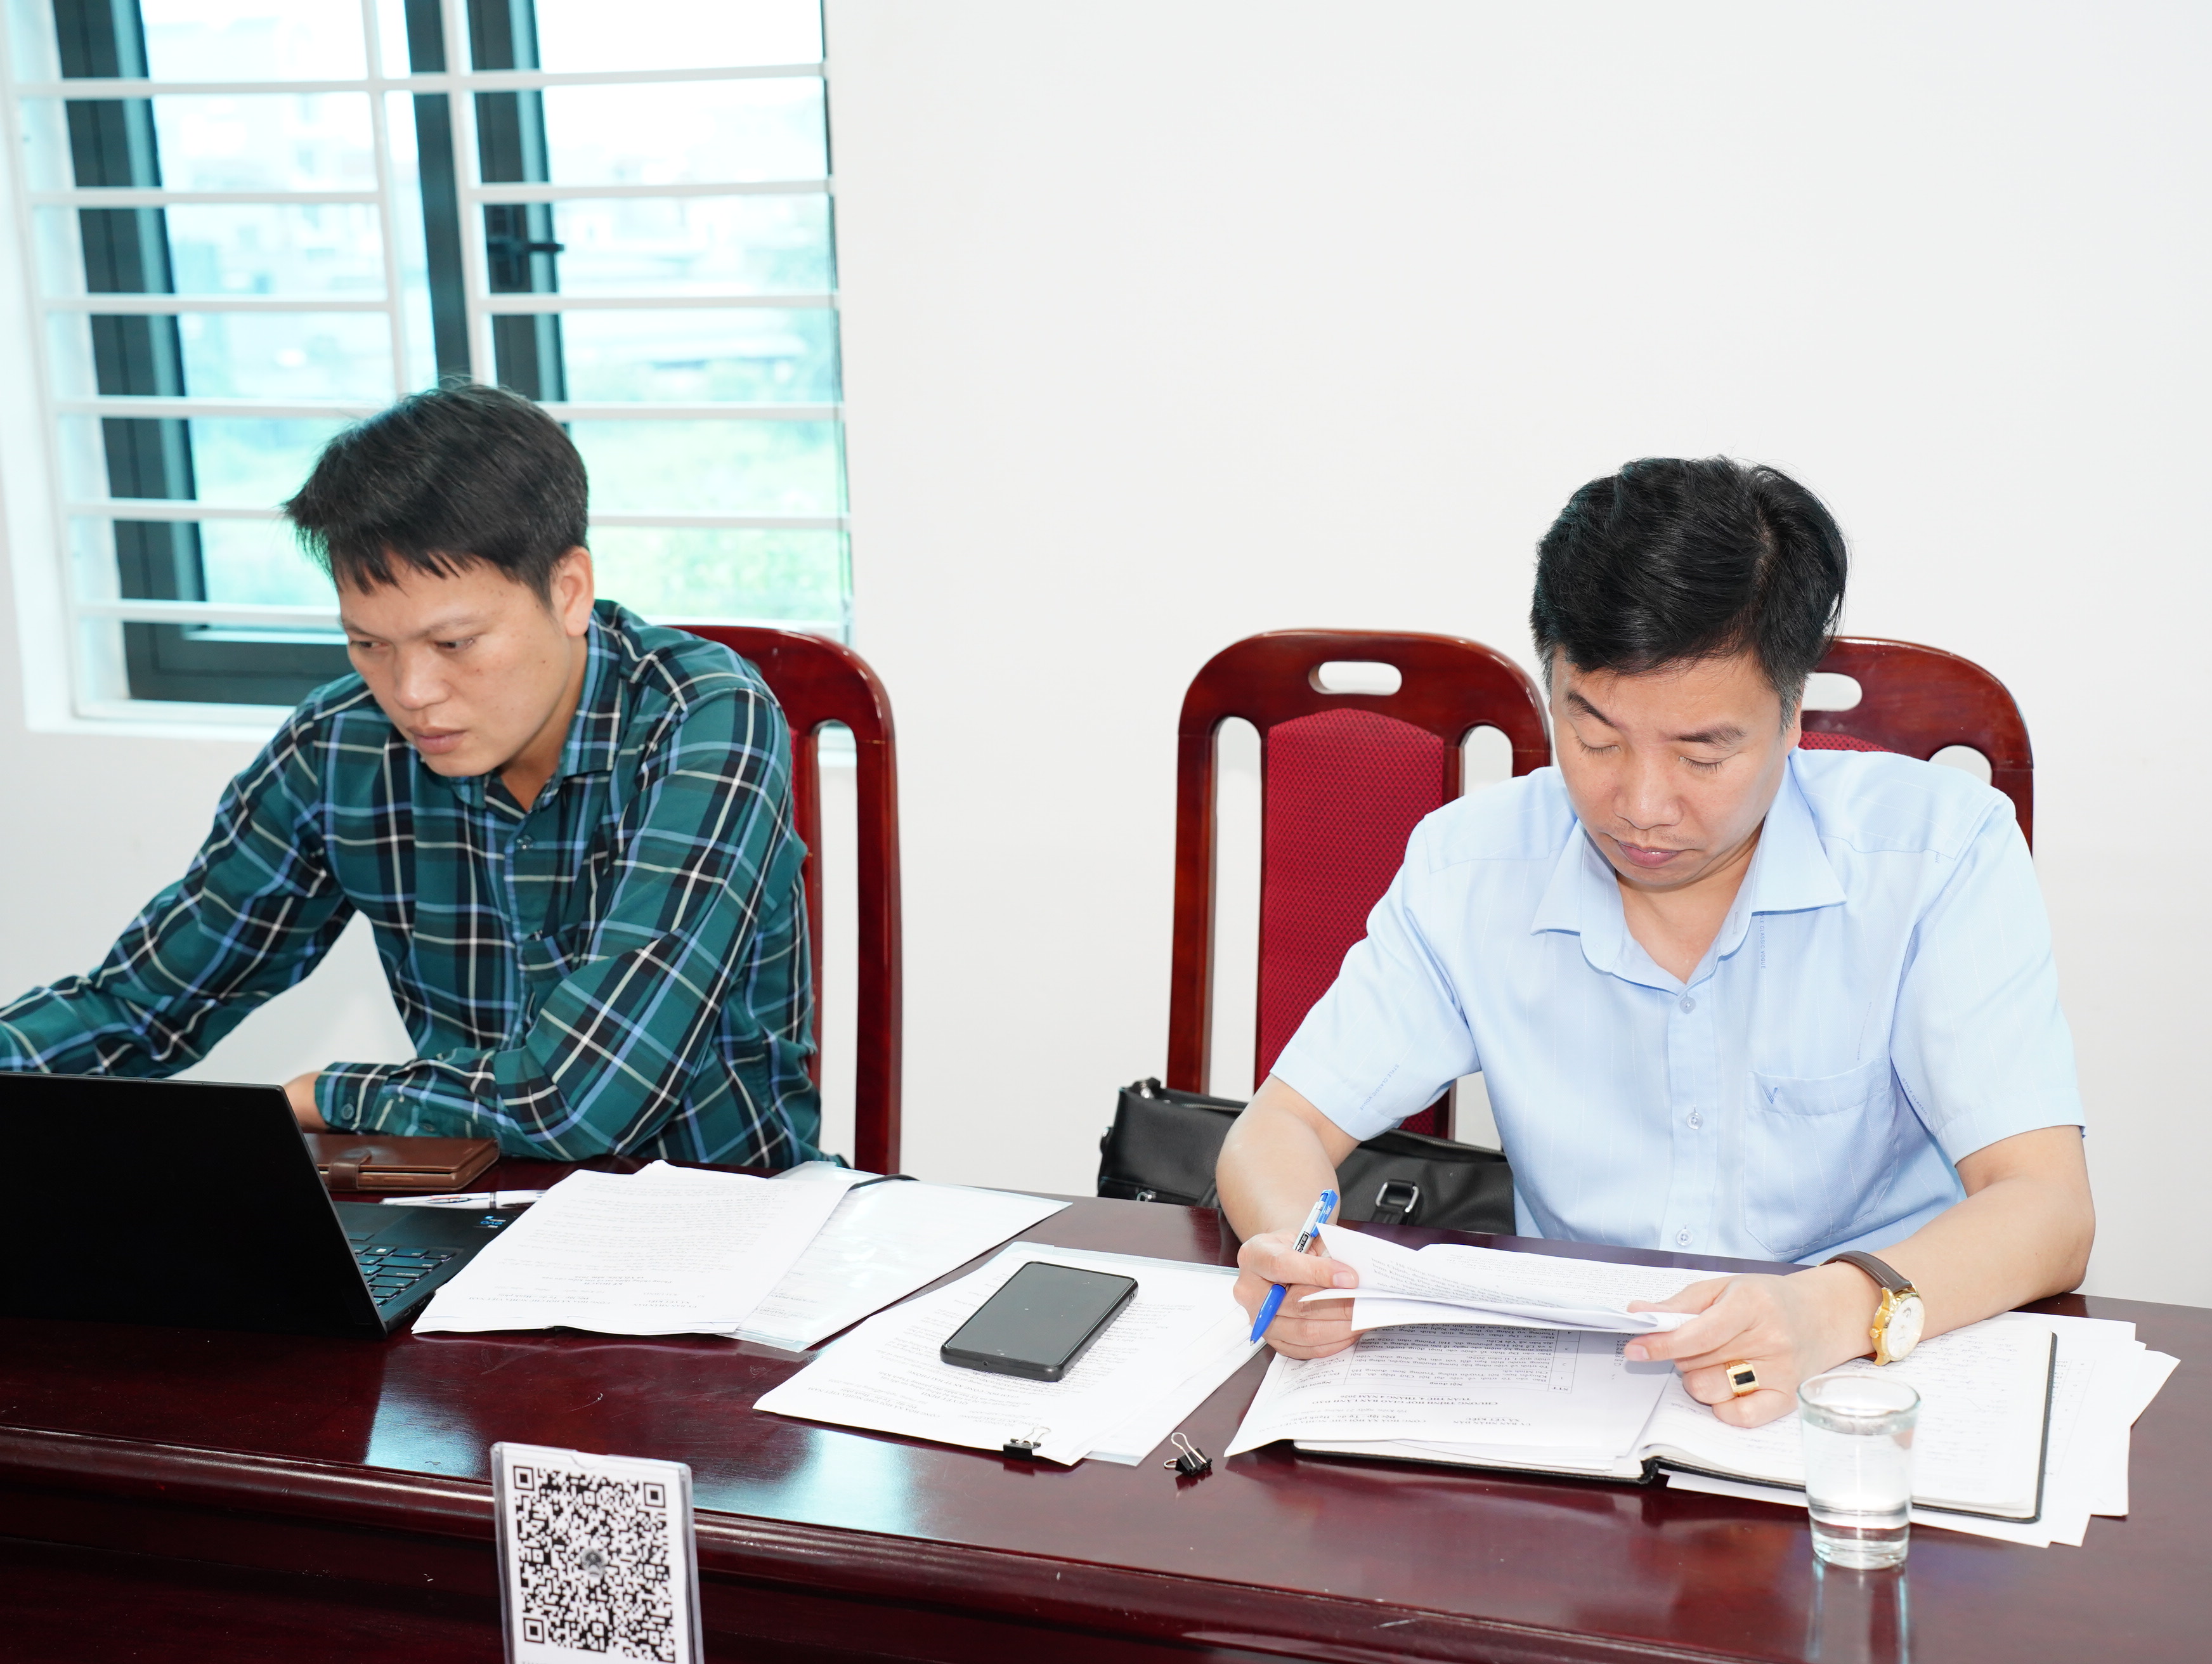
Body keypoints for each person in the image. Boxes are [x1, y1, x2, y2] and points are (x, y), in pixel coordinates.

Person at [1216, 457, 2093, 1427]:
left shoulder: (1937, 855)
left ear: (1793, 716)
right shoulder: (1472, 868)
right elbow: (1279, 1129)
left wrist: (1829, 1312)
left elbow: (2047, 1208)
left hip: (1853, 1385)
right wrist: (1300, 1258)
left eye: (1702, 752)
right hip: (1569, 1394)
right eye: (1595, 739)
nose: (1640, 805)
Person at [0, 382, 821, 1167]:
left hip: (731, 1214)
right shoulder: (340, 744)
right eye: (369, 645)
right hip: (468, 1214)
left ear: (569, 591)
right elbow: (139, 1008)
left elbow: (586, 1099)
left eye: (454, 643)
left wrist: (329, 1096)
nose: (412, 693)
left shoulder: (703, 717)